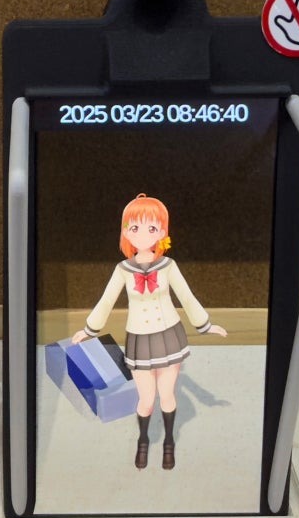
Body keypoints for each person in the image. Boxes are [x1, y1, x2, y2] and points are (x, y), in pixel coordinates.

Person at [71, 193, 227, 470]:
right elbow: (106, 301)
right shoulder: (122, 269)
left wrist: (204, 324)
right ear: (125, 232)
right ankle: (143, 440)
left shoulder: (169, 266)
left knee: (166, 395)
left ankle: (169, 442)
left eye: (151, 228)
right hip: (139, 340)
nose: (143, 234)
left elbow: (187, 296)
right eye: (135, 228)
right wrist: (89, 329)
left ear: (163, 232)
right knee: (146, 399)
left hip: (169, 336)